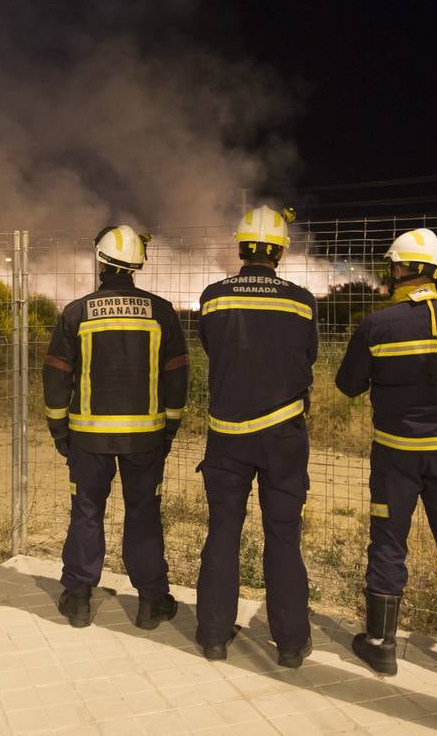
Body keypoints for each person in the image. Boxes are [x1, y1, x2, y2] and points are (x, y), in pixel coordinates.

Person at [334, 227, 437, 686]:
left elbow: (348, 385)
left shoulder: (377, 325)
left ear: (403, 269)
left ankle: (381, 646)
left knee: (389, 542)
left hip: (395, 458)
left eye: (394, 267)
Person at [42, 224, 190, 630]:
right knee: (143, 514)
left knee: (86, 513)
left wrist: (60, 431)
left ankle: (78, 602)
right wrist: (169, 429)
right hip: (145, 439)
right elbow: (178, 376)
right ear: (136, 267)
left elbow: (56, 377)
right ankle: (151, 603)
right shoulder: (161, 313)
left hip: (87, 440)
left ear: (101, 262)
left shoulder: (76, 313)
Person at [195, 205, 317, 668]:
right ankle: (289, 644)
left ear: (241, 247)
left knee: (223, 532)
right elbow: (308, 357)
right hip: (283, 436)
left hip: (226, 436)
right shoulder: (302, 301)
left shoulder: (213, 297)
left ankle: (212, 637)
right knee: (283, 536)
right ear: (280, 251)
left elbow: (212, 348)